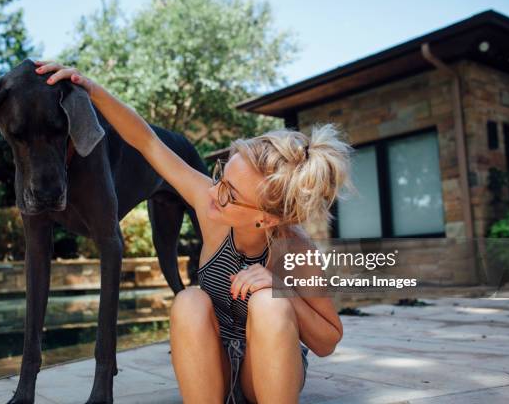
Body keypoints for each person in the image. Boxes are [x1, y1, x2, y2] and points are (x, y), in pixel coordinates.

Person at [35, 60, 351, 404]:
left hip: (270, 373)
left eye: (231, 195)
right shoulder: (210, 202)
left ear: (267, 219)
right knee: (189, 300)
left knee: (270, 304)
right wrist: (91, 89)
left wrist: (280, 289)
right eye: (221, 177)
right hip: (218, 364)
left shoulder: (295, 250)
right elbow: (147, 142)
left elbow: (327, 340)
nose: (214, 194)